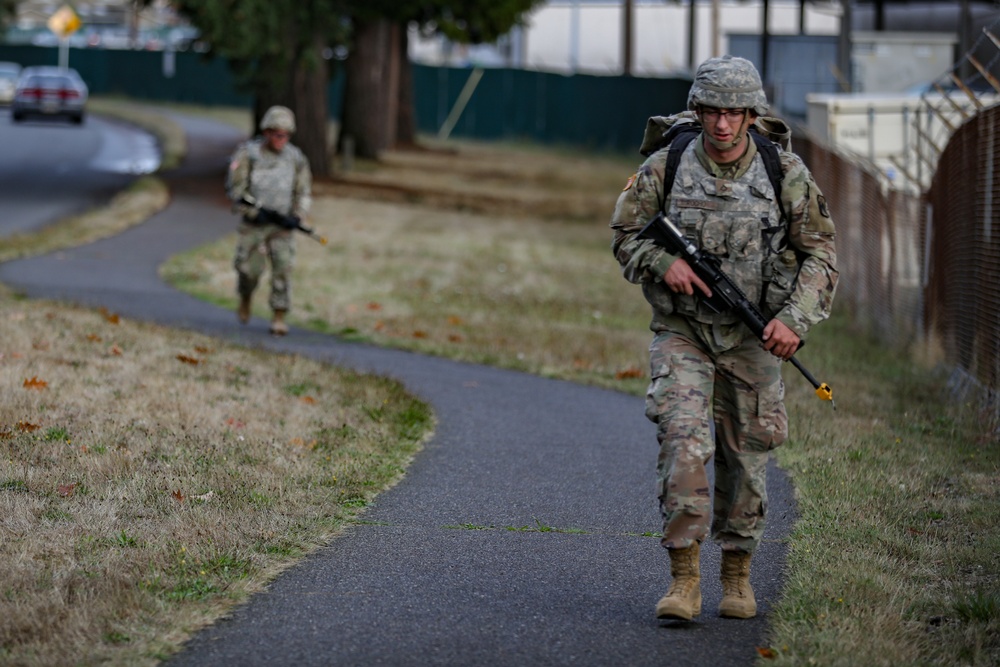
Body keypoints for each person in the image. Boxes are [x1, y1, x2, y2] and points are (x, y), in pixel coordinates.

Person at [610, 56, 838, 621]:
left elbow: (822, 255)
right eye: (711, 111)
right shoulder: (666, 166)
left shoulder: (784, 173)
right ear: (699, 110)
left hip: (752, 337)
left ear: (751, 115)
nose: (721, 125)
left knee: (747, 454)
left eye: (734, 113)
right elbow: (624, 235)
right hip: (683, 330)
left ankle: (737, 576)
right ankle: (684, 580)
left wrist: (794, 320)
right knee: (684, 443)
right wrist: (663, 263)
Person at [226, 105, 313, 336]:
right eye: (276, 134)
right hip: (254, 226)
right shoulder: (248, 154)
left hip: (282, 227)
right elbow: (236, 189)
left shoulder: (296, 158)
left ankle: (279, 316)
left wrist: (297, 215)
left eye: (285, 135)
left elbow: (303, 191)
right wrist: (253, 211)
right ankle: (245, 296)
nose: (281, 139)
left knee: (283, 270)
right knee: (248, 271)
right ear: (266, 132)